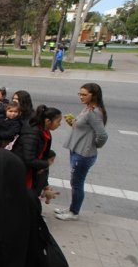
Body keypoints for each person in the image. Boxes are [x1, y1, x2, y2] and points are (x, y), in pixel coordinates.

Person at [55, 83, 108, 221]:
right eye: (80, 94)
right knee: (75, 182)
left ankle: (74, 213)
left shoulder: (94, 112)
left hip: (83, 154)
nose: (81, 97)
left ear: (94, 95)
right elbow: (83, 128)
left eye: (84, 94)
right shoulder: (88, 108)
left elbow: (102, 135)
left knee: (77, 183)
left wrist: (92, 145)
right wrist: (72, 122)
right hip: (76, 150)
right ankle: (72, 208)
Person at [13, 105, 62, 195]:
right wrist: (46, 164)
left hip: (31, 170)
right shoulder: (32, 135)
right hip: (22, 171)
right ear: (47, 121)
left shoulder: (45, 131)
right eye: (58, 122)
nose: (60, 124)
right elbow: (29, 159)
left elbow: (43, 154)